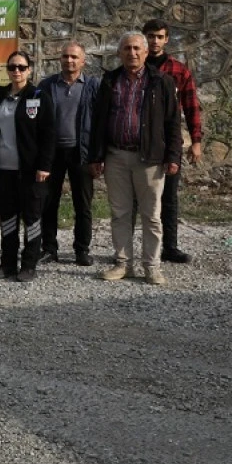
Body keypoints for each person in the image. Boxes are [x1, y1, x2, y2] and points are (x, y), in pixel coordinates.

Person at [89, 33, 181, 286]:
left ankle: (152, 267)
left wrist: (173, 156)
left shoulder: (161, 81)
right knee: (120, 213)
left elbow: (173, 122)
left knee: (151, 215)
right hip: (116, 155)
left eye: (136, 49)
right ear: (119, 53)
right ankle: (123, 263)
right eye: (127, 48)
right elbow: (99, 122)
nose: (132, 53)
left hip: (149, 158)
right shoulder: (110, 80)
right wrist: (96, 156)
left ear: (146, 52)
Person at [0, 52, 56, 282]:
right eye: (12, 67)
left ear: (29, 70)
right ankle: (7, 263)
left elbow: (49, 134)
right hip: (3, 169)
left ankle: (29, 265)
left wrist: (44, 166)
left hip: (30, 171)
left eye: (22, 67)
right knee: (8, 217)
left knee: (31, 218)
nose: (17, 71)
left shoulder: (39, 95)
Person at [142, 18, 203, 264]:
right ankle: (134, 250)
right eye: (150, 36)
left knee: (169, 197)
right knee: (137, 199)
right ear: (144, 37)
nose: (154, 41)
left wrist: (196, 141)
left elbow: (191, 106)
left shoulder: (179, 71)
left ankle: (170, 247)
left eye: (159, 36)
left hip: (169, 142)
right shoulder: (134, 67)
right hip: (140, 142)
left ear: (166, 40)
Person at [37, 42, 99, 266]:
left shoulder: (93, 86)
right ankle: (49, 248)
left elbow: (100, 123)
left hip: (81, 153)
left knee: (82, 204)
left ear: (83, 61)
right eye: (65, 56)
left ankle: (82, 250)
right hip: (52, 154)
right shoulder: (47, 86)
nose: (69, 60)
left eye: (74, 57)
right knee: (48, 202)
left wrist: (98, 155)